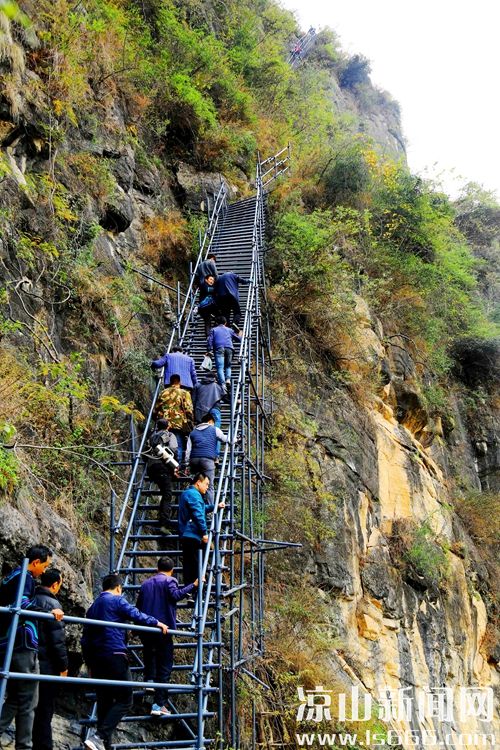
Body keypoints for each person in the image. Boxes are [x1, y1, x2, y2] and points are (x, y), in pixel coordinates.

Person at [81, 574, 168, 750]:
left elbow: (85, 638)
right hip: (114, 653)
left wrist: (89, 662)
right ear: (119, 588)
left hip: (97, 658)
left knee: (104, 701)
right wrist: (156, 622)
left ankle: (104, 743)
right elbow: (136, 614)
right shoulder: (116, 600)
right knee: (125, 699)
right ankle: (99, 737)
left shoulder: (93, 607)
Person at [0, 545, 63, 750]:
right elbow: (24, 604)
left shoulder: (11, 577)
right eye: (44, 566)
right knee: (29, 700)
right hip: (22, 644)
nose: (44, 571)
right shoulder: (25, 577)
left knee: (16, 697)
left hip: (8, 643)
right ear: (35, 563)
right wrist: (49, 611)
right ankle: (25, 747)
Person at [136, 557, 198, 718]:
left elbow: (138, 606)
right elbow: (176, 595)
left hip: (146, 627)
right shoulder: (170, 581)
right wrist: (194, 585)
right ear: (171, 570)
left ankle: (149, 680)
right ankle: (158, 704)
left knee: (149, 655)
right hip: (163, 630)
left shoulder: (145, 584)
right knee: (164, 666)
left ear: (157, 568)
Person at [32, 570, 68, 750]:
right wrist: (63, 666)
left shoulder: (31, 599)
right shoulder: (53, 604)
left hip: (28, 660)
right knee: (44, 711)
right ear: (55, 584)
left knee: (25, 707)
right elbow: (57, 640)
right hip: (46, 666)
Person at [178, 473, 224, 585]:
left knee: (190, 563)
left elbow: (201, 508)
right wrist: (204, 532)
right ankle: (194, 592)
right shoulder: (194, 495)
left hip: (187, 533)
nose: (208, 487)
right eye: (206, 484)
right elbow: (198, 514)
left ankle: (190, 592)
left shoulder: (189, 493)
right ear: (198, 482)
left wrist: (215, 506)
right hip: (192, 534)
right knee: (194, 564)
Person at [185, 414, 233, 504]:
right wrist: (236, 439)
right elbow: (225, 439)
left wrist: (187, 464)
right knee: (209, 486)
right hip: (207, 460)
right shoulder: (214, 429)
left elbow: (188, 451)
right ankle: (210, 511)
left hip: (194, 460)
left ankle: (193, 506)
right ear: (210, 421)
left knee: (195, 484)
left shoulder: (193, 432)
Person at [145, 419, 178, 533]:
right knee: (167, 494)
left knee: (164, 491)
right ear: (168, 427)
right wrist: (175, 467)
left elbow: (145, 453)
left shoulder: (151, 437)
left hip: (151, 468)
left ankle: (161, 518)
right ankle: (164, 525)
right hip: (163, 467)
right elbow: (174, 450)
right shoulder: (169, 435)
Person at [154, 374, 193, 466]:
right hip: (178, 423)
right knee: (177, 444)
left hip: (164, 423)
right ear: (179, 382)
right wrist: (191, 422)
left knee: (163, 444)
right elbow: (188, 410)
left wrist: (156, 420)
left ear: (170, 382)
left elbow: (156, 409)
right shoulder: (184, 393)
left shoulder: (163, 393)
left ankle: (165, 465)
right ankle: (177, 465)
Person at [206, 317, 242, 388]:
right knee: (228, 366)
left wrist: (209, 350)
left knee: (220, 367)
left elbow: (210, 340)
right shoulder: (230, 330)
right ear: (225, 323)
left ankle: (222, 384)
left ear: (217, 323)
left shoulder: (213, 330)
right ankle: (228, 379)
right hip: (229, 348)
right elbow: (238, 339)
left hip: (219, 348)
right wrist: (240, 334)